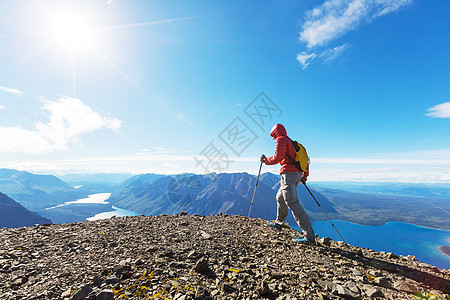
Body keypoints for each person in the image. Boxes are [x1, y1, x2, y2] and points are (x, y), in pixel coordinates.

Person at [260, 123, 316, 244]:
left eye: (273, 136)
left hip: (289, 175)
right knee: (280, 197)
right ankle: (279, 223)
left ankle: (309, 237)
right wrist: (304, 176)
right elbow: (305, 161)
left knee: (293, 203)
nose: (273, 138)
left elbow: (277, 158)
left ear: (275, 132)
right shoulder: (292, 142)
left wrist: (265, 160)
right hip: (296, 174)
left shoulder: (280, 140)